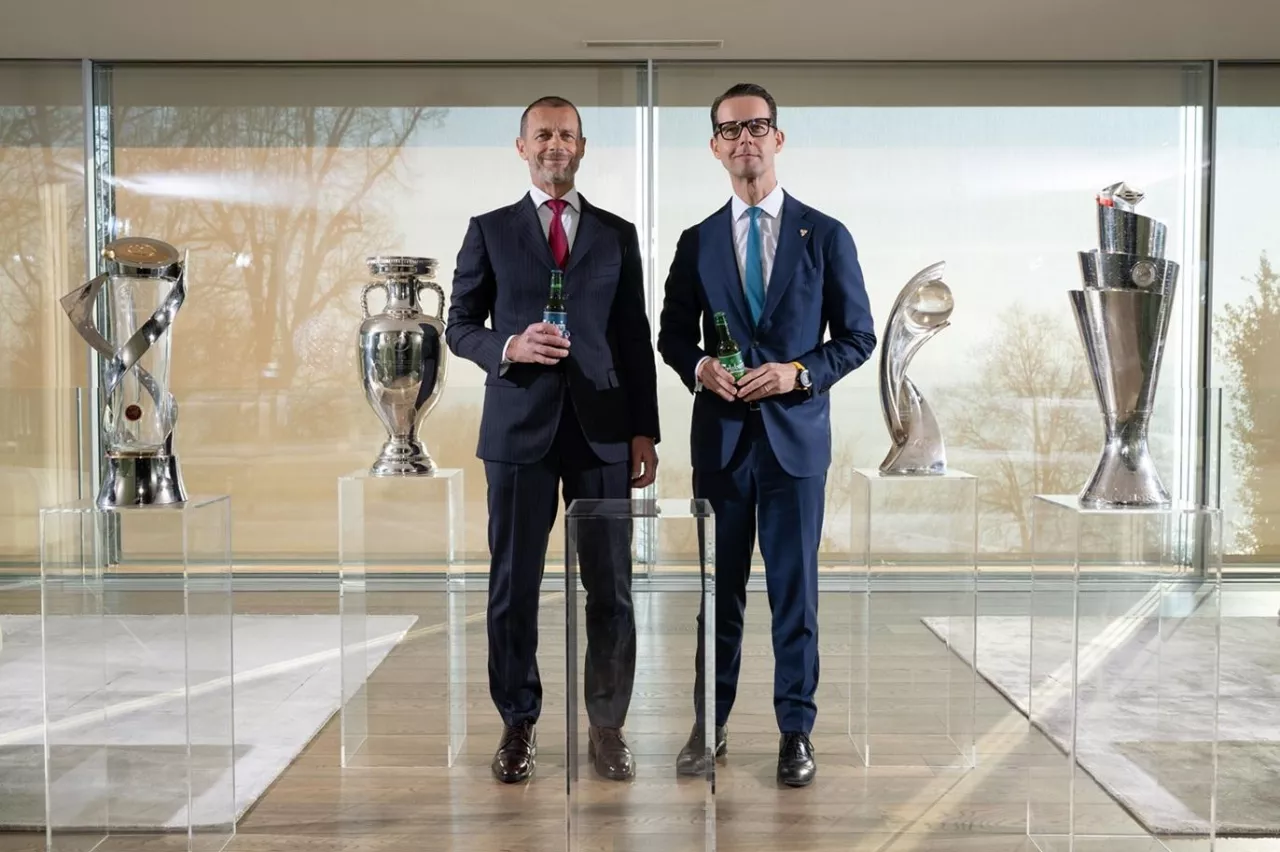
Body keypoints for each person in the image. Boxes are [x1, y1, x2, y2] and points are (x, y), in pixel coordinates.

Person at [656, 82, 876, 787]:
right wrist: (697, 367)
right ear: (716, 147)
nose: (745, 138)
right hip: (720, 447)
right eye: (731, 129)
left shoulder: (826, 234)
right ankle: (709, 728)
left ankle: (795, 734)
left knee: (794, 595)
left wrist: (798, 375)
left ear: (778, 139)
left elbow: (857, 337)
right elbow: (669, 336)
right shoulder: (696, 243)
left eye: (758, 126)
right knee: (717, 597)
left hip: (794, 446)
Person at [446, 95, 661, 784]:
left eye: (566, 134)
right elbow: (458, 326)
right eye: (543, 134)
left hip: (603, 433)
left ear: (582, 146)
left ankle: (607, 726)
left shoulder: (616, 233)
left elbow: (635, 339)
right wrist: (507, 343)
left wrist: (643, 432)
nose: (554, 145)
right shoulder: (488, 229)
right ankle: (517, 723)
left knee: (613, 588)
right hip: (517, 432)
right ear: (521, 147)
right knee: (513, 584)